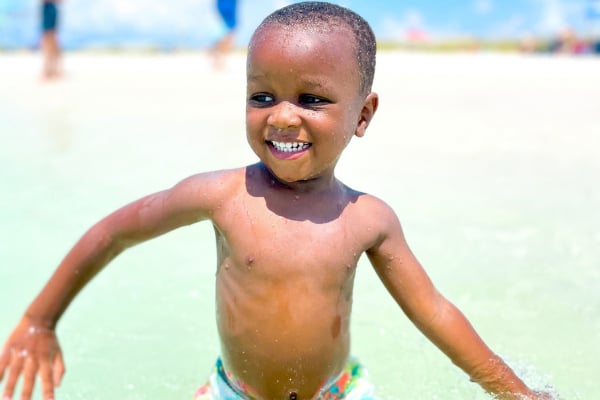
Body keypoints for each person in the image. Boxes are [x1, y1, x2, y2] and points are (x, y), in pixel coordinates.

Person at [0, 2, 553, 399]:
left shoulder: (368, 220)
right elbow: (115, 231)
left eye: (312, 99)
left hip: (338, 392)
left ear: (362, 115)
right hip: (231, 391)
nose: (282, 116)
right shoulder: (223, 196)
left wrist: (513, 392)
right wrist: (39, 320)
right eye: (262, 96)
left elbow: (433, 311)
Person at [211, 0, 239, 69]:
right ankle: (218, 60)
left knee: (226, 39)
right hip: (225, 14)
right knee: (225, 39)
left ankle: (220, 60)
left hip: (229, 14)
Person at [40, 0, 62, 80]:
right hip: (48, 8)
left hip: (49, 8)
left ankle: (50, 70)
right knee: (51, 39)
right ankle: (55, 69)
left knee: (49, 39)